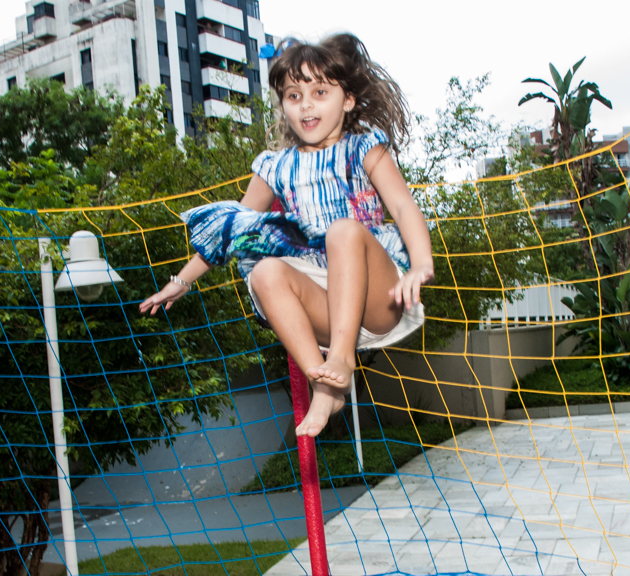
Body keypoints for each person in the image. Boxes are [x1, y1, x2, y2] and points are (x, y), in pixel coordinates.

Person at [139, 34, 433, 438]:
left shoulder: (364, 148)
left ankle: (341, 362)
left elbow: (402, 207)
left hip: (376, 298)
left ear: (346, 100)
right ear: (283, 104)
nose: (307, 104)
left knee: (343, 232)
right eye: (294, 95)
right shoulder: (275, 167)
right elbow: (233, 229)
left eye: (320, 92)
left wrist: (420, 265)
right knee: (264, 272)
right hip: (324, 307)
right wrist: (180, 282)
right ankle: (325, 386)